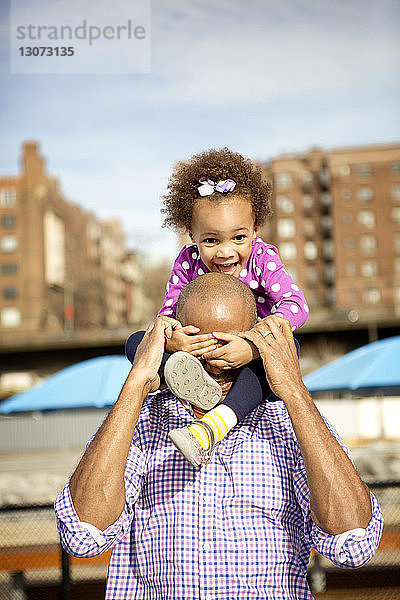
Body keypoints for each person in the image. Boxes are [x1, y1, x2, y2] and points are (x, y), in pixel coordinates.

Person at [55, 273, 383, 600]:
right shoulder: (141, 422)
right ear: (175, 341)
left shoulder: (290, 423)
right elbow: (83, 536)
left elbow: (354, 545)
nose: (215, 362)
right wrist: (136, 383)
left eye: (228, 344)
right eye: (200, 344)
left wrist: (294, 391)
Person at [126, 147, 309, 464]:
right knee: (135, 342)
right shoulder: (187, 260)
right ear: (192, 235)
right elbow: (166, 317)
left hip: (248, 355)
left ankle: (214, 424)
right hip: (197, 353)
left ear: (255, 231)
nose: (225, 252)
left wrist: (252, 344)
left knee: (290, 345)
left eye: (238, 238)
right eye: (211, 240)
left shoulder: (263, 257)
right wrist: (175, 340)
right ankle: (167, 378)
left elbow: (296, 306)